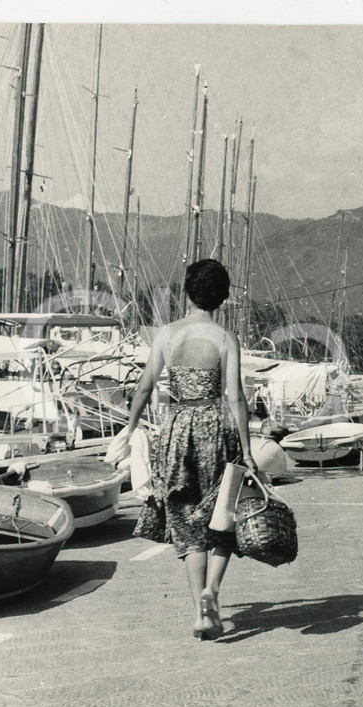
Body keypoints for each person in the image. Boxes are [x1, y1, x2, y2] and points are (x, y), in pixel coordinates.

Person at [124, 259, 257, 642]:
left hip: (179, 431)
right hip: (216, 430)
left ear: (187, 292)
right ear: (224, 296)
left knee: (185, 520)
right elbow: (235, 397)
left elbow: (144, 388)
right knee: (222, 517)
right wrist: (246, 450)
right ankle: (211, 593)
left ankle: (199, 606)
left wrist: (129, 429)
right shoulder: (225, 338)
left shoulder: (166, 334)